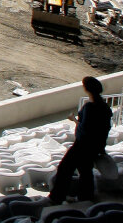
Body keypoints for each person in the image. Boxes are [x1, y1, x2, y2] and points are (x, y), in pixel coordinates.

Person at [48, 76, 113, 204]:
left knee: (64, 169)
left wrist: (73, 119)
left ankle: (57, 197)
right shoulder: (105, 107)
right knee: (85, 171)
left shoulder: (90, 107)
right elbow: (105, 128)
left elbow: (85, 128)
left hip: (82, 145)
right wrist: (102, 147)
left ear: (86, 89)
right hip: (95, 146)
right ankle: (86, 196)